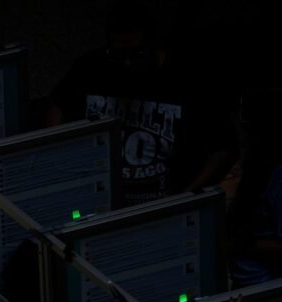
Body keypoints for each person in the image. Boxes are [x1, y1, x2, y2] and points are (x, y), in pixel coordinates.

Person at [45, 0, 237, 207]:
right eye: (119, 55)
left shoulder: (188, 79)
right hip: (99, 201)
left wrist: (186, 199)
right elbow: (58, 104)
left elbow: (225, 149)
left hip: (163, 202)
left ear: (153, 43)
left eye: (137, 53)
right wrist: (62, 163)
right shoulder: (90, 68)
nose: (128, 63)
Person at [226, 87, 282, 286]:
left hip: (267, 288)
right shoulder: (258, 165)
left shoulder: (277, 175)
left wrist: (242, 245)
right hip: (249, 283)